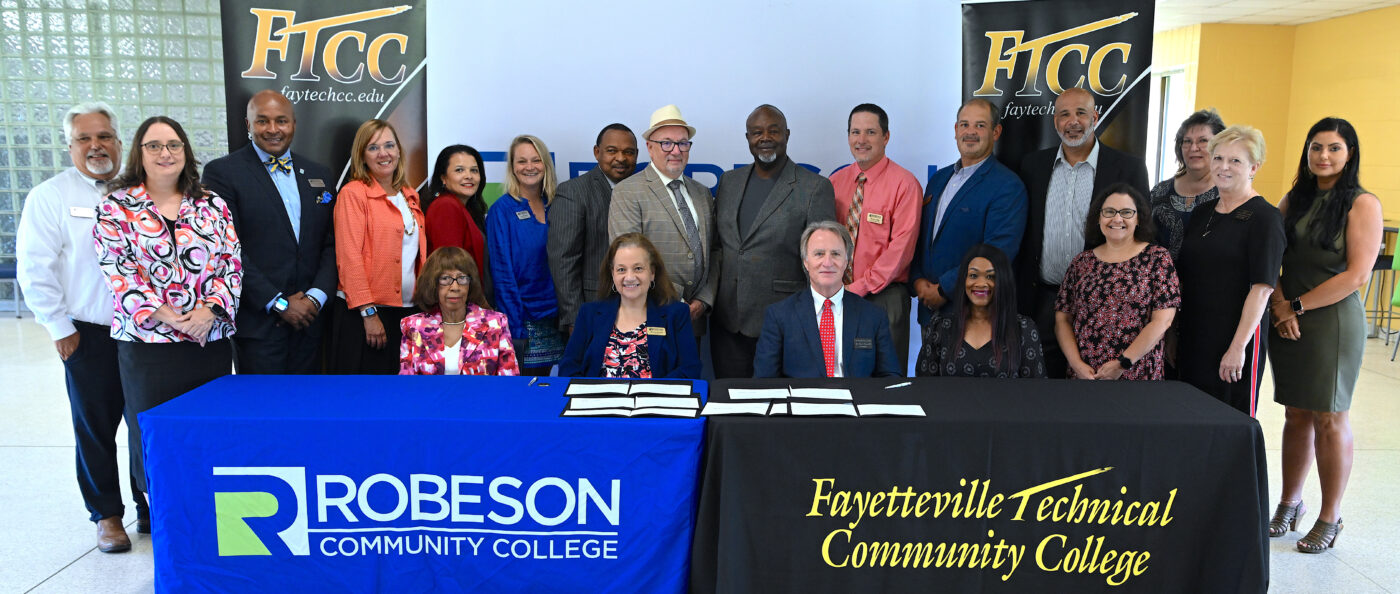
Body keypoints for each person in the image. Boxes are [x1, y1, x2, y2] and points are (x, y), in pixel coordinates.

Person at [17, 101, 146, 552]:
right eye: (84, 138)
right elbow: (34, 269)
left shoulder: (140, 189)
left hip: (147, 332)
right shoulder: (51, 196)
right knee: (95, 426)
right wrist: (58, 327)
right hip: (88, 331)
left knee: (144, 421)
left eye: (104, 136)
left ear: (118, 139)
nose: (96, 146)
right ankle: (107, 515)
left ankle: (148, 505)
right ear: (70, 145)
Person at [94, 116, 240, 501]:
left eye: (174, 145)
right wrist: (166, 315)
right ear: (139, 153)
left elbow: (232, 263)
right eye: (154, 145)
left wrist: (210, 311)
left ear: (186, 152)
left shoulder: (211, 203)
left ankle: (207, 516)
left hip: (206, 343)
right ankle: (160, 516)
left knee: (207, 432)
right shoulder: (116, 207)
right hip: (148, 346)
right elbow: (117, 268)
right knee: (155, 435)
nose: (165, 153)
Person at [1266, 117, 1383, 554]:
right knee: (1295, 414)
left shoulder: (1361, 203)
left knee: (1329, 418)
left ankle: (1330, 516)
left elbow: (1356, 275)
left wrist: (1295, 306)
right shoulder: (1291, 200)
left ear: (1349, 153)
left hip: (1330, 322)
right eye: (1316, 147)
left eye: (1334, 148)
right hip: (1286, 318)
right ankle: (1289, 503)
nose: (1323, 156)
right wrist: (1279, 305)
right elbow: (1270, 257)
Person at [1016, 87, 1151, 378]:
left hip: (1104, 303)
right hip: (1043, 300)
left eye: (1081, 113)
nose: (1073, 121)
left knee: (1093, 388)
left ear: (1095, 117)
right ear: (1055, 122)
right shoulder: (1033, 165)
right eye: (1064, 114)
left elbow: (1143, 234)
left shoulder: (1128, 167)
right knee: (1042, 387)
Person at [202, 90, 337, 374]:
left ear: (294, 124)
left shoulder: (320, 174)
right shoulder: (222, 173)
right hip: (259, 326)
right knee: (262, 413)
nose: (273, 130)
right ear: (248, 126)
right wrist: (278, 303)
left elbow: (331, 244)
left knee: (308, 410)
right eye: (263, 121)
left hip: (311, 323)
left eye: (281, 121)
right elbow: (229, 250)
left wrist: (315, 298)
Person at [712, 104, 836, 378]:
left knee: (779, 412)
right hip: (727, 323)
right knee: (732, 407)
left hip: (785, 323)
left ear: (787, 135)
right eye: (757, 132)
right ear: (748, 139)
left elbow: (821, 262)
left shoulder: (815, 187)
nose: (765, 137)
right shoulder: (729, 182)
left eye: (773, 131)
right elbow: (720, 247)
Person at [1175, 125, 1284, 416]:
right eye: (1218, 158)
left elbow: (1262, 289)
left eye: (1235, 161)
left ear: (1254, 167)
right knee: (1190, 418)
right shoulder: (1202, 213)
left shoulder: (1265, 218)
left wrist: (1238, 348)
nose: (1224, 167)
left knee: (1227, 423)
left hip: (1234, 340)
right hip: (1194, 336)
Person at [910, 98, 1029, 328]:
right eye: (964, 125)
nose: (970, 132)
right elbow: (920, 238)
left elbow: (998, 252)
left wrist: (944, 288)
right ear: (955, 130)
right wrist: (917, 282)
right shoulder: (938, 180)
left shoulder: (1008, 186)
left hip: (974, 317)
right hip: (930, 315)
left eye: (980, 125)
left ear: (996, 132)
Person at [609, 105, 719, 340]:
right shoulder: (628, 192)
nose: (676, 151)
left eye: (683, 143)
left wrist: (703, 300)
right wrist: (677, 303)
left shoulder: (702, 193)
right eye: (666, 143)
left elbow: (715, 250)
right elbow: (629, 259)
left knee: (689, 376)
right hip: (650, 317)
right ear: (649, 147)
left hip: (695, 320)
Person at [828, 103, 922, 372]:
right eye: (855, 132)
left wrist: (859, 287)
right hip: (837, 293)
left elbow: (900, 251)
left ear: (886, 137)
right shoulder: (835, 182)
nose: (861, 140)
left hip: (884, 296)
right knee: (838, 371)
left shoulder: (905, 184)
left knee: (885, 376)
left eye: (870, 132)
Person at [1054, 183, 1178, 380]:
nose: (1117, 218)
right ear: (1099, 218)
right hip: (1086, 376)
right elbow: (1062, 319)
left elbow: (1163, 321)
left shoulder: (1157, 258)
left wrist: (1123, 363)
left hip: (1137, 374)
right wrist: (1076, 364)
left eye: (1127, 212)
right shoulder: (1081, 262)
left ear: (1139, 219)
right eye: (1109, 211)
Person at [331, 119, 426, 374]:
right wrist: (369, 313)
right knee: (366, 398)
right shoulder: (354, 194)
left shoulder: (409, 195)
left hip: (407, 313)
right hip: (366, 316)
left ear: (398, 151)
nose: (383, 154)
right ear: (362, 156)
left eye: (389, 145)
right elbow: (349, 258)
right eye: (373, 148)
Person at [754, 221, 901, 378]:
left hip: (857, 400)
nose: (828, 262)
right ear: (806, 262)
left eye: (836, 254)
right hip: (802, 401)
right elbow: (763, 382)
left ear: (846, 261)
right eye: (819, 254)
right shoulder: (779, 315)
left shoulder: (874, 316)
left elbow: (890, 378)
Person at [558, 233, 701, 378]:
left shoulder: (676, 314)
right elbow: (569, 368)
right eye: (621, 269)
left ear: (652, 272)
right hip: (598, 399)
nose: (630, 277)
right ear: (612, 274)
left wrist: (652, 394)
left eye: (638, 268)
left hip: (655, 400)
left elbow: (690, 369)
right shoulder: (588, 313)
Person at [549, 124, 638, 337]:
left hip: (637, 311)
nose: (621, 158)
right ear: (597, 152)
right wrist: (574, 318)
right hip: (592, 309)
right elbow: (563, 261)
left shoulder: (641, 191)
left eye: (629, 152)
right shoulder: (573, 192)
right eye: (612, 150)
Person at [487, 134, 564, 375]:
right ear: (512, 167)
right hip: (523, 321)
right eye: (521, 161)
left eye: (536, 160)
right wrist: (515, 327)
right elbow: (502, 274)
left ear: (545, 165)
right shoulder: (502, 210)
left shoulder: (556, 204)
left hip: (557, 319)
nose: (529, 167)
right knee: (525, 392)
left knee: (553, 391)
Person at [915, 244, 1044, 378]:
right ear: (963, 280)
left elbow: (1036, 392)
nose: (981, 283)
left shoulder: (1024, 329)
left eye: (990, 277)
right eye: (973, 275)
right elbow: (924, 389)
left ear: (1003, 281)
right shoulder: (940, 327)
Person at [398, 247, 518, 376]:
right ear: (433, 284)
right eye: (445, 279)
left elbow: (509, 381)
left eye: (462, 278)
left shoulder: (496, 323)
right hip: (431, 396)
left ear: (470, 284)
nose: (455, 287)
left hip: (482, 396)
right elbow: (407, 384)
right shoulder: (413, 326)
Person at [1151, 108, 1226, 259]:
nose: (1193, 148)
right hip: (1159, 280)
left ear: (1220, 145)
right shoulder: (1159, 192)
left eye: (1203, 141)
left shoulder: (1228, 194)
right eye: (1187, 141)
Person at [424, 144, 494, 304]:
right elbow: (450, 269)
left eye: (474, 170)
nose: (469, 176)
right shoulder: (446, 206)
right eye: (459, 170)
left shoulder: (465, 209)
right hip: (457, 308)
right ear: (443, 178)